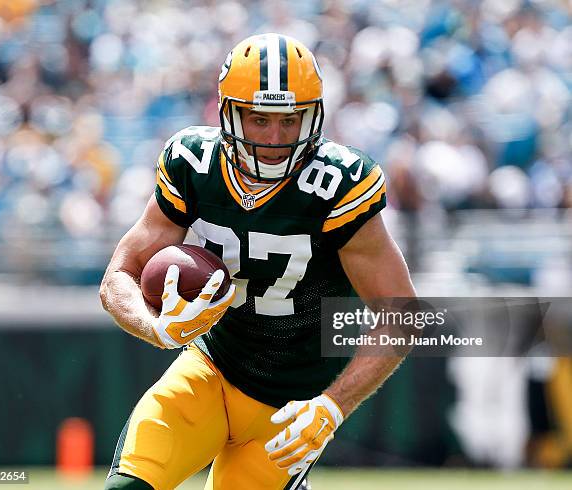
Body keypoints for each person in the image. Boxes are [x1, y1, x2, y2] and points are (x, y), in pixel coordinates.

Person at [100, 33, 415, 490]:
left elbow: (402, 315)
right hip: (210, 369)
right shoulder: (195, 163)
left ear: (315, 117)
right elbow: (119, 277)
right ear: (229, 113)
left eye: (291, 121)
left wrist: (332, 407)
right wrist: (156, 327)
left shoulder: (340, 184)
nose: (274, 138)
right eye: (259, 119)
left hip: (290, 409)